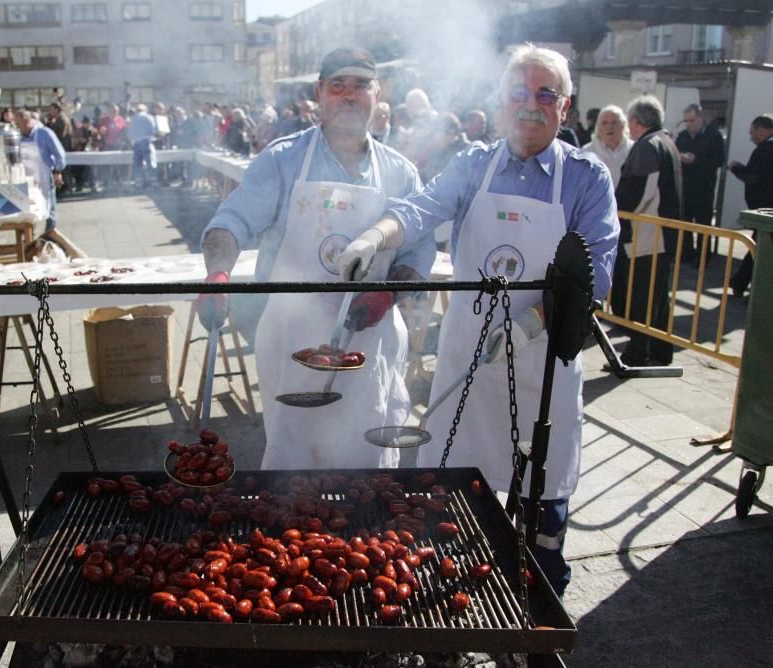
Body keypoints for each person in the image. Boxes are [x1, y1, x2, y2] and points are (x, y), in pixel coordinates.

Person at [341, 45, 619, 597]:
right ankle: (452, 597)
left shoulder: (586, 179)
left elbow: (597, 275)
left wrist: (529, 325)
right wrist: (379, 234)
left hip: (544, 369)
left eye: (547, 95)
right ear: (500, 103)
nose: (531, 106)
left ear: (565, 107)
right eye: (520, 92)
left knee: (543, 507)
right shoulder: (474, 165)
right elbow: (425, 206)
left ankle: (540, 607)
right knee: (453, 493)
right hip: (468, 361)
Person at [198, 47, 427, 471]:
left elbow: (418, 249)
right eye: (338, 85)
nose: (349, 96)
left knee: (368, 465)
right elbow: (230, 222)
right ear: (320, 93)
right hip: (292, 340)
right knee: (292, 463)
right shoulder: (283, 160)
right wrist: (218, 271)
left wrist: (390, 291)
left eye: (361, 86)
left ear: (378, 95)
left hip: (368, 342)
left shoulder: (400, 172)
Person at [610, 95, 683, 367]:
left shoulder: (648, 146)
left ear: (636, 122)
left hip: (648, 234)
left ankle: (637, 354)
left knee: (643, 296)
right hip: (660, 232)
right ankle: (661, 352)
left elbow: (639, 193)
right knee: (657, 296)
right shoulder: (665, 142)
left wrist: (616, 210)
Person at [13, 109, 83, 257]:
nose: (16, 126)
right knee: (29, 217)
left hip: (44, 179)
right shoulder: (18, 137)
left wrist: (58, 172)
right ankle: (34, 249)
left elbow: (59, 154)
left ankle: (56, 249)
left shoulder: (44, 133)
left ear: (26, 121)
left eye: (18, 123)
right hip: (26, 183)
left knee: (49, 216)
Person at [728, 114, 773, 298]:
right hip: (767, 211)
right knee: (759, 246)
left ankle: (750, 289)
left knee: (760, 249)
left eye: (752, 132)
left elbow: (753, 177)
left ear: (762, 130)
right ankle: (740, 283)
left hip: (766, 211)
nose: (751, 137)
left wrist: (736, 168)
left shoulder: (766, 150)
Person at [675, 103, 725, 260]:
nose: (689, 124)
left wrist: (696, 160)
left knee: (703, 223)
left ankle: (703, 257)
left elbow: (718, 160)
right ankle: (687, 254)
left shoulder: (714, 136)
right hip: (686, 187)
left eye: (692, 120)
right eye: (686, 121)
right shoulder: (683, 135)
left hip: (704, 187)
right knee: (685, 223)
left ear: (701, 118)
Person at [582, 104, 633, 187]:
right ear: (598, 127)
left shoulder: (634, 149)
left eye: (614, 122)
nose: (609, 127)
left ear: (623, 125)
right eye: (604, 123)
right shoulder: (587, 152)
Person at [127, 103, 157, 189]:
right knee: (150, 162)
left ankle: (138, 182)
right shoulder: (149, 117)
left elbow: (130, 133)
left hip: (137, 142)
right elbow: (153, 129)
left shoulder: (133, 119)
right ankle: (153, 182)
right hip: (147, 142)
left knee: (137, 164)